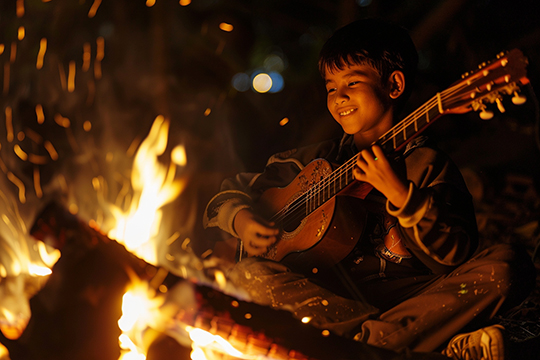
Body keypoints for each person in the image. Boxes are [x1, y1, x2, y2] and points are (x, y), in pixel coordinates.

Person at [203, 18, 535, 360]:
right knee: (248, 275)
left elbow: (452, 256)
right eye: (331, 87)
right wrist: (240, 219)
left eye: (352, 82)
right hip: (325, 301)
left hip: (410, 303)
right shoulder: (311, 161)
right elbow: (226, 195)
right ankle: (415, 346)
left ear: (394, 84)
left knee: (507, 266)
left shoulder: (427, 164)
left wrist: (402, 194)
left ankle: (363, 347)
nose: (339, 97)